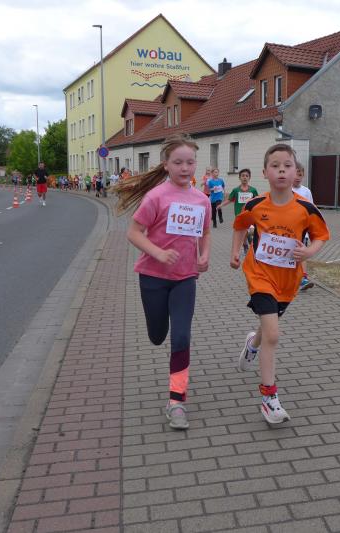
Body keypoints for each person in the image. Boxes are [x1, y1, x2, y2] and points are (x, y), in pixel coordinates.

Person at [115, 134, 211, 430]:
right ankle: (157, 331)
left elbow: (205, 232)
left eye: (190, 162)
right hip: (153, 277)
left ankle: (176, 401)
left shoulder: (201, 199)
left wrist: (204, 255)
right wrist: (158, 253)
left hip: (185, 278)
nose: (185, 168)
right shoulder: (156, 197)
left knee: (181, 337)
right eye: (178, 162)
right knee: (158, 335)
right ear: (166, 164)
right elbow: (133, 233)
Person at [231, 144, 330, 424]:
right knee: (273, 334)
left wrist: (309, 252)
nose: (282, 171)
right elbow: (240, 225)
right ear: (265, 172)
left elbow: (321, 235)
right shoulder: (255, 204)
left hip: (288, 281)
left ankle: (252, 344)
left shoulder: (305, 208)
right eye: (275, 166)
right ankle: (269, 399)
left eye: (287, 166)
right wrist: (235, 252)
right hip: (259, 275)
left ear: (296, 171)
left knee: (267, 329)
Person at [221, 169, 259, 254]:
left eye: (246, 176)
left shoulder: (253, 190)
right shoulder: (236, 190)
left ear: (249, 178)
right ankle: (245, 244)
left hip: (250, 215)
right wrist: (221, 205)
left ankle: (248, 239)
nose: (245, 177)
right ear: (239, 178)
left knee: (251, 231)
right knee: (243, 231)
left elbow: (257, 201)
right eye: (243, 176)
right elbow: (230, 199)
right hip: (239, 215)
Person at [292, 162, 315, 290]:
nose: (298, 177)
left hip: (303, 230)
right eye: (296, 174)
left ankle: (303, 278)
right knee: (290, 254)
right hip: (288, 230)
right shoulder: (287, 190)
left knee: (302, 252)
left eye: (300, 175)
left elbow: (312, 209)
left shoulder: (306, 191)